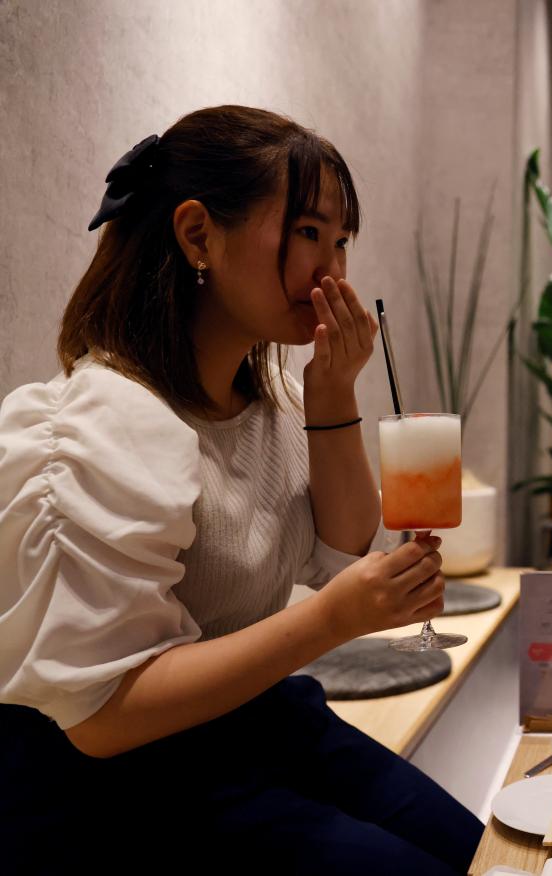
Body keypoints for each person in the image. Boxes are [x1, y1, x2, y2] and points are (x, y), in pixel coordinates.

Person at [0, 106, 482, 873]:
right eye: (307, 234)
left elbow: (341, 548)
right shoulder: (101, 426)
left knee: (476, 853)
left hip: (252, 721)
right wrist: (332, 619)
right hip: (118, 785)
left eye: (342, 242)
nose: (333, 270)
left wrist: (333, 394)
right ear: (198, 236)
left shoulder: (273, 400)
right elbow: (100, 717)